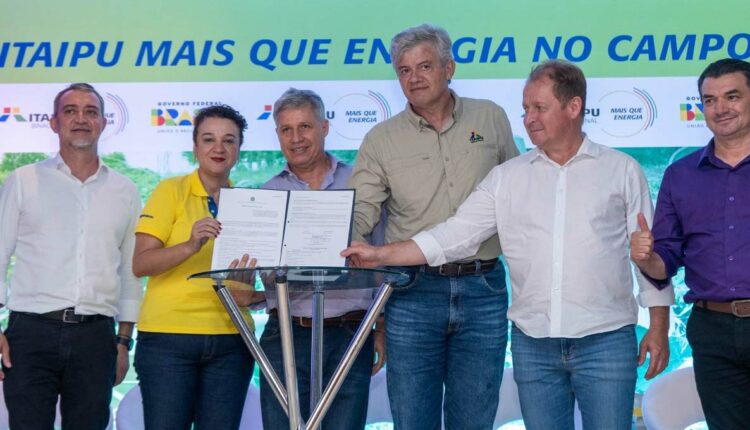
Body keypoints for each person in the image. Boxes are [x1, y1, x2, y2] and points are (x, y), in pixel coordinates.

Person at [344, 60, 675, 430]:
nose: (529, 119)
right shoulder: (506, 178)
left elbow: (646, 255)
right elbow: (452, 236)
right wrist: (379, 254)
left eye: (539, 108)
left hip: (606, 340)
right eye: (525, 110)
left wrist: (659, 325)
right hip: (534, 345)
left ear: (573, 107)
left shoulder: (622, 170)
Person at [347, 24, 519, 429]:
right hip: (412, 291)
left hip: (484, 288)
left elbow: (519, 193)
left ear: (449, 68)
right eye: (404, 70)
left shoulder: (490, 118)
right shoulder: (381, 139)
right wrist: (334, 237)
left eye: (424, 66)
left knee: (474, 419)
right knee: (412, 419)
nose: (414, 78)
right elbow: (361, 211)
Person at [0, 83, 142, 429]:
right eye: (71, 111)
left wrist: (123, 341)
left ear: (104, 123)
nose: (81, 119)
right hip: (30, 334)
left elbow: (130, 272)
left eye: (91, 111)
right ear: (53, 122)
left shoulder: (125, 191)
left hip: (96, 339)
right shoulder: (23, 180)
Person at [631, 58, 750, 429]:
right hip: (712, 329)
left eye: (732, 96)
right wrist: (645, 258)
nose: (720, 108)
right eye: (710, 100)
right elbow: (665, 262)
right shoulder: (680, 175)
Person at [257, 87, 385, 430]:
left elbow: (382, 260)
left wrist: (381, 327)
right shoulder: (266, 194)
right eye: (286, 129)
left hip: (350, 334)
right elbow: (265, 275)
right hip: (285, 334)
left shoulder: (362, 183)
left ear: (325, 128)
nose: (296, 138)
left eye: (305, 127)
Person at [132, 104, 257, 429]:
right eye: (209, 139)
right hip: (168, 341)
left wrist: (256, 288)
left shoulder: (250, 203)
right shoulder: (170, 191)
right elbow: (141, 263)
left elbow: (249, 282)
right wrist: (190, 245)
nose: (219, 148)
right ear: (195, 147)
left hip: (232, 339)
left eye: (229, 140)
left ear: (239, 149)